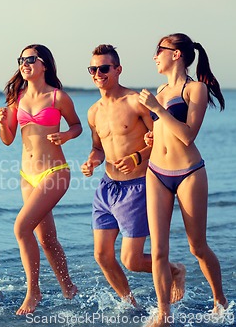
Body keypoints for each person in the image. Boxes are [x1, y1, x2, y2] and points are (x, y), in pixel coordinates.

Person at [80, 44, 186, 307]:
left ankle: (175, 270)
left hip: (137, 187)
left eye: (104, 68)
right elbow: (97, 147)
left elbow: (164, 141)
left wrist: (137, 157)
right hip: (107, 188)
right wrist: (92, 161)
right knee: (102, 256)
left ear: (118, 69)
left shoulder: (136, 102)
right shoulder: (93, 112)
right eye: (93, 69)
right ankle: (130, 304)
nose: (98, 73)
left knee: (132, 260)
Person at [138, 33, 228, 325]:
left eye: (158, 50)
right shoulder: (160, 89)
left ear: (176, 54)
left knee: (197, 246)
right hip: (156, 173)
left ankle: (220, 301)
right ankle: (164, 313)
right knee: (159, 250)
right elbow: (167, 129)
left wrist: (157, 109)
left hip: (189, 173)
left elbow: (188, 136)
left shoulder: (196, 89)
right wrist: (153, 136)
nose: (155, 56)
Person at [0, 44, 81, 315]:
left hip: (54, 172)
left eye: (31, 59)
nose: (25, 63)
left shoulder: (58, 97)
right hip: (27, 176)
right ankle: (69, 287)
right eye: (21, 59)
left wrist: (66, 136)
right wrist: (2, 123)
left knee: (21, 228)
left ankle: (33, 291)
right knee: (46, 238)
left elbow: (77, 126)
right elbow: (8, 140)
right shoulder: (16, 98)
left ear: (44, 64)